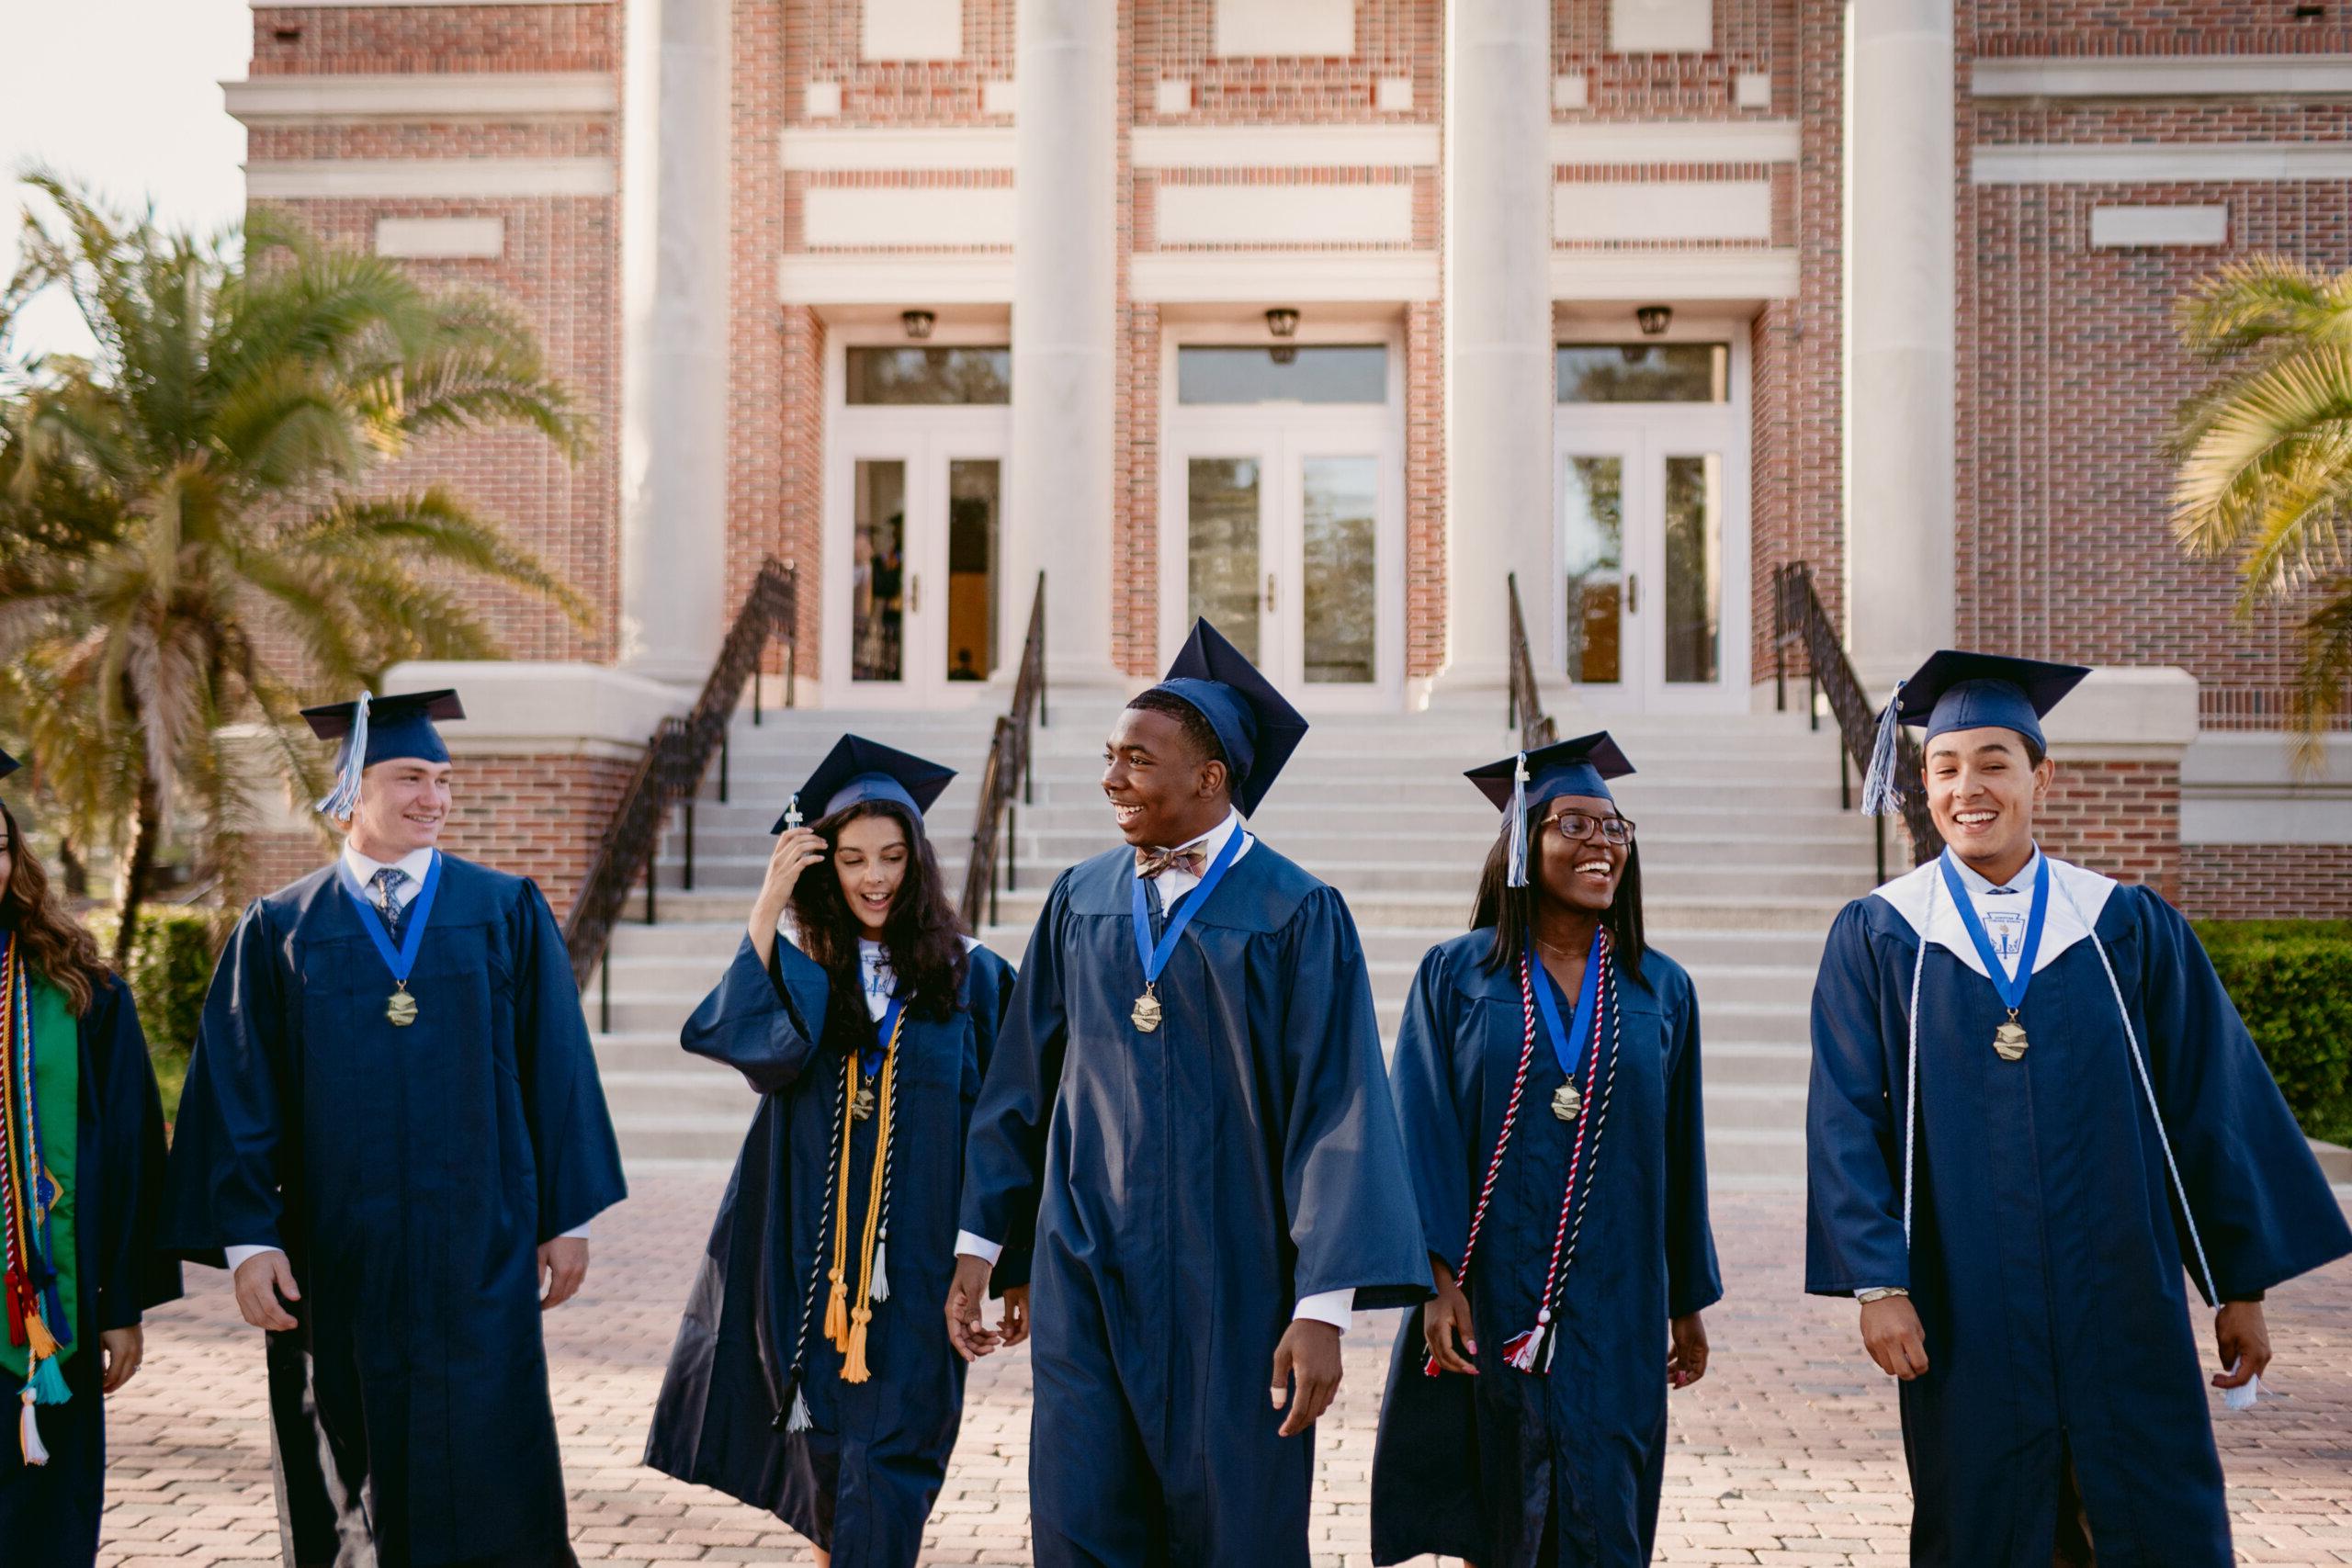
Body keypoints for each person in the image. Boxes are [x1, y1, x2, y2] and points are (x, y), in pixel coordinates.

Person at [1806, 650, 2352, 1567]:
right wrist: (1877, 1284)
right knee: (1983, 1521)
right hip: (1963, 1301)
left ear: (2040, 777)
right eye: (1944, 768)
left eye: (1993, 763)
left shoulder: (2123, 926)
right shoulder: (1879, 934)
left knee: (2152, 1516)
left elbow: (2207, 1107)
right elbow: (1846, 1119)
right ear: (1923, 786)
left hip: (2122, 1299)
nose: (1966, 788)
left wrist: (2238, 1288)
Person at [946, 618, 1430, 1567]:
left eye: (1137, 759)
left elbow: (1339, 1108)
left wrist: (1322, 1305)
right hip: (1085, 1263)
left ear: (1209, 780)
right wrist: (983, 1244)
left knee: (1234, 1527)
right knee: (1081, 1516)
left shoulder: (1295, 911)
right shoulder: (1079, 898)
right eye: (1109, 756)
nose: (1111, 779)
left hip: (1236, 1276)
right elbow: (1020, 1086)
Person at [163, 690, 628, 1568]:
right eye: (412, 776)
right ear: (353, 786)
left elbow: (557, 1067)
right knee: (343, 1470)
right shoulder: (283, 928)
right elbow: (238, 1090)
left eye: (444, 781)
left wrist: (567, 1217)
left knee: (490, 1462)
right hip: (336, 1259)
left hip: (477, 1255)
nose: (434, 799)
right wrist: (249, 1238)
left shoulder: (502, 910)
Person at [644, 735, 1020, 1566]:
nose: (875, 876)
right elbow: (757, 1054)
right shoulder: (808, 967)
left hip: (919, 1266)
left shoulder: (975, 978)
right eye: (852, 858)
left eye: (892, 856)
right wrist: (766, 909)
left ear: (918, 863)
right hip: (808, 1262)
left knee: (897, 1453)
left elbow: (1013, 1126)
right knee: (819, 1459)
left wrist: (1005, 1260)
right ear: (827, 866)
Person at [1370, 733, 1720, 1568]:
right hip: (1488, 1289)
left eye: (1615, 828)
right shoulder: (1455, 976)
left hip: (1620, 1293)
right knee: (1496, 1503)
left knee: (1606, 1504)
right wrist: (1437, 1281)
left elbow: (1681, 1152)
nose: (1601, 844)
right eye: (1575, 824)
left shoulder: (1659, 987)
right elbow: (1419, 1129)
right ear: (1524, 847)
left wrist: (1686, 1296)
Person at [0, 748, 179, 1566]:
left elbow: (134, 1152)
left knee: (43, 1517)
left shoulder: (78, 990)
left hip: (42, 1317)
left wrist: (121, 1302)